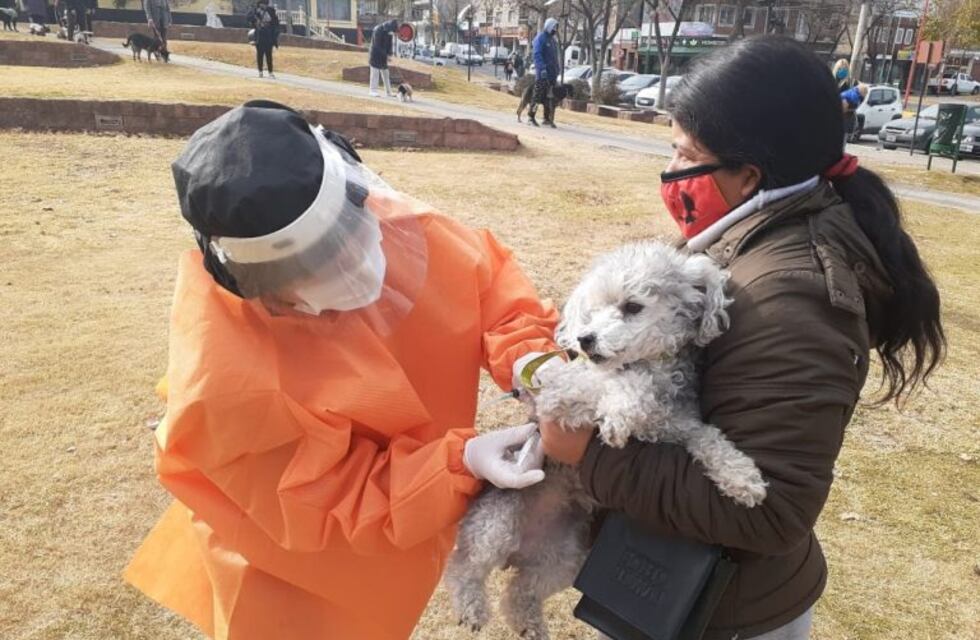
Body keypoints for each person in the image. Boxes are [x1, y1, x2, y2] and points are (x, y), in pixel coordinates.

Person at [538, 36, 944, 640]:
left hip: (723, 613)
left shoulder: (791, 298)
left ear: (748, 173)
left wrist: (584, 452)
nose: (672, 172)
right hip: (682, 582)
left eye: (684, 154)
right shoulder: (745, 242)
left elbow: (772, 510)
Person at [123, 101, 559, 640]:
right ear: (254, 282)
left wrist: (528, 358)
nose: (352, 266)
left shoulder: (404, 229)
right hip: (283, 570)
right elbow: (327, 496)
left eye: (348, 232)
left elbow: (491, 287)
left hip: (397, 538)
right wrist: (461, 462)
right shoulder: (228, 379)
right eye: (307, 267)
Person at [529, 18, 559, 128]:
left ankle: (546, 118)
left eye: (556, 27)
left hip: (552, 75)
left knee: (549, 98)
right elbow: (537, 54)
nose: (555, 30)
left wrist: (557, 69)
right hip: (542, 74)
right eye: (554, 27)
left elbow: (555, 57)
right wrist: (542, 69)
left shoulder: (553, 41)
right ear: (548, 26)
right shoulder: (540, 38)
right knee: (537, 97)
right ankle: (531, 117)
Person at [247, 0, 279, 78]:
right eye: (263, 3)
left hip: (269, 35)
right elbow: (248, 18)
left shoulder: (271, 10)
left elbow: (276, 23)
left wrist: (275, 34)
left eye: (265, 4)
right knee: (260, 54)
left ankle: (270, 72)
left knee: (269, 55)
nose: (264, 5)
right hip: (259, 35)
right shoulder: (255, 11)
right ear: (259, 4)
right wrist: (255, 15)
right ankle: (260, 71)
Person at [369, 18, 398, 97]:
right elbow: (377, 46)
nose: (393, 33)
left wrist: (390, 53)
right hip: (375, 54)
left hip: (383, 55)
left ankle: (388, 92)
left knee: (386, 73)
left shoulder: (389, 32)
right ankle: (372, 91)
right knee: (375, 73)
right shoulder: (378, 30)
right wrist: (386, 55)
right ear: (390, 27)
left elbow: (389, 45)